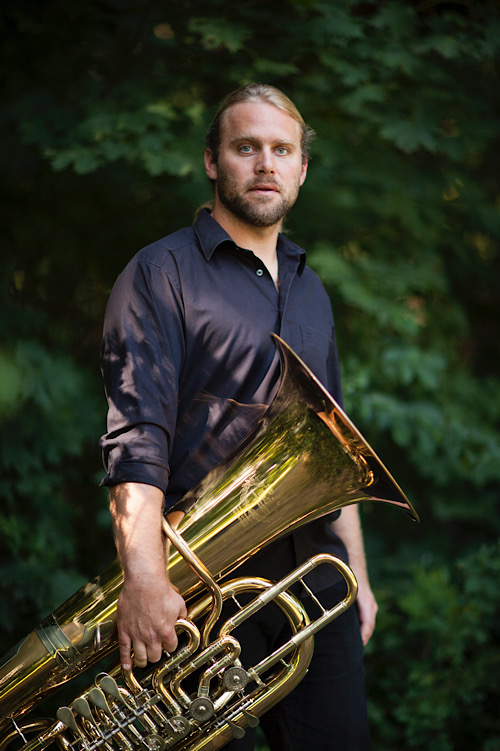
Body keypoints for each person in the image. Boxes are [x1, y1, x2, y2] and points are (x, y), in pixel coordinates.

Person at [100, 83, 377, 750]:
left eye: (282, 150)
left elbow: (337, 446)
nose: (265, 163)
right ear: (212, 161)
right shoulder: (160, 272)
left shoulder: (311, 288)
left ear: (302, 169)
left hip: (314, 582)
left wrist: (359, 579)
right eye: (245, 147)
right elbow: (137, 438)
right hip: (197, 589)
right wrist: (143, 578)